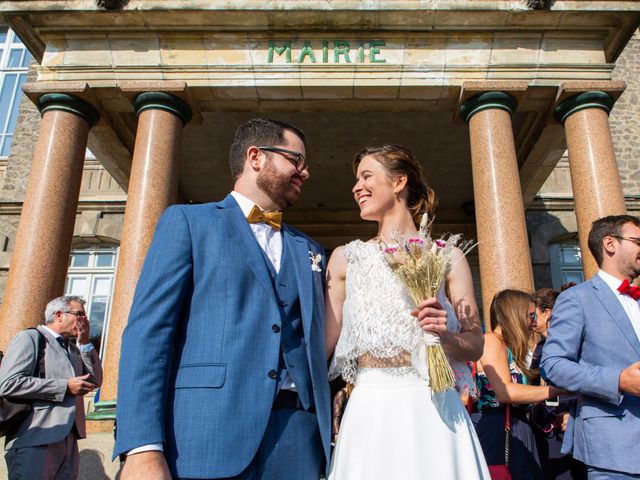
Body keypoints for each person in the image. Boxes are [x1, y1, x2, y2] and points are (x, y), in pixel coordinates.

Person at [114, 118, 331, 480]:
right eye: (296, 160)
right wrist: (142, 448)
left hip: (297, 439)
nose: (304, 172)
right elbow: (147, 337)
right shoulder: (188, 223)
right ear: (256, 157)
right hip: (205, 437)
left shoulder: (309, 249)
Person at [324, 144, 489, 479]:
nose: (357, 187)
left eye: (366, 176)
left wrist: (443, 336)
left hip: (433, 404)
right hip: (370, 406)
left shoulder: (448, 256)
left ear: (398, 182)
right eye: (356, 179)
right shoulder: (346, 258)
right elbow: (324, 344)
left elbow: (476, 345)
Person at [541, 214, 640, 479]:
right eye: (638, 240)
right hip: (613, 448)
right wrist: (618, 380)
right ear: (610, 243)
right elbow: (553, 365)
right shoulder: (577, 298)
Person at [0, 295, 102, 480]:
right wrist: (64, 386)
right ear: (59, 315)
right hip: (36, 436)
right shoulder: (30, 338)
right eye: (79, 314)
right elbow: (9, 383)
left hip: (69, 440)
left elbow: (95, 380)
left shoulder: (74, 349)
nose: (84, 320)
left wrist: (86, 342)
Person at [475, 289, 564, 480]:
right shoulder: (491, 340)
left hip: (518, 426)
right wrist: (556, 390)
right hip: (499, 428)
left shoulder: (509, 346)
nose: (533, 322)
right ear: (515, 314)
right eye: (530, 315)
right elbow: (506, 392)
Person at [530, 287, 587, 480]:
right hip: (547, 423)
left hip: (571, 420)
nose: (531, 322)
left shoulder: (573, 344)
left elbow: (582, 381)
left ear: (547, 313)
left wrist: (571, 414)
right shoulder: (539, 346)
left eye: (533, 315)